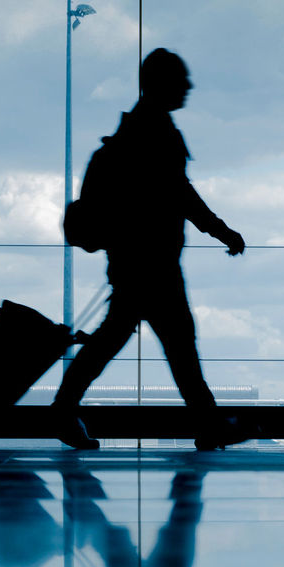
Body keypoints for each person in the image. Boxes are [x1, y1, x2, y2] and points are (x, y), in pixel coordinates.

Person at [55, 48, 248, 450]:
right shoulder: (158, 133)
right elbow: (181, 196)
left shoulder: (134, 133)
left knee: (119, 341)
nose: (188, 87)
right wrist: (222, 231)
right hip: (154, 263)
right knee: (177, 343)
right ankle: (208, 424)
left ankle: (63, 410)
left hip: (132, 260)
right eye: (181, 80)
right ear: (161, 84)